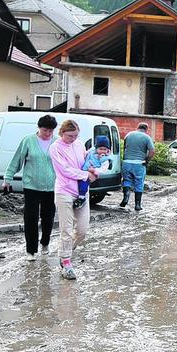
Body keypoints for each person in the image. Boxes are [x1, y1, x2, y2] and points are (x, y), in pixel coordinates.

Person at [49, 120, 100, 279]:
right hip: (64, 191)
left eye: (76, 135)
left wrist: (94, 168)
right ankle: (66, 263)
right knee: (66, 229)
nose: (73, 138)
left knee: (82, 230)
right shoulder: (55, 148)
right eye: (70, 136)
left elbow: (84, 163)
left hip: (82, 191)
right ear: (62, 133)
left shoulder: (78, 144)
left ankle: (65, 253)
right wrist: (86, 175)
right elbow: (64, 170)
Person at [3, 114, 58, 261]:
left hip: (51, 187)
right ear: (39, 128)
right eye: (45, 130)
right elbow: (16, 161)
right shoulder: (28, 140)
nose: (48, 134)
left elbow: (65, 164)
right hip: (31, 186)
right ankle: (31, 250)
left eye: (51, 131)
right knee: (31, 218)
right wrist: (7, 179)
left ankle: (45, 242)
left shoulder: (57, 142)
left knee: (48, 218)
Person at [120, 122, 155, 211]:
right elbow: (152, 151)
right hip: (139, 164)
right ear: (146, 129)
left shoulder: (128, 135)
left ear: (137, 127)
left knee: (127, 180)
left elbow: (124, 148)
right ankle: (137, 205)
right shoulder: (147, 137)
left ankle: (126, 197)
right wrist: (147, 160)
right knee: (139, 183)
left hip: (126, 162)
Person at [73, 135, 113, 209]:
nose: (102, 151)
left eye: (105, 149)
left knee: (83, 183)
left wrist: (94, 170)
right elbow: (85, 154)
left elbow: (103, 169)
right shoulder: (91, 151)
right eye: (100, 149)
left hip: (91, 173)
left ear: (108, 150)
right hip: (83, 169)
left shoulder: (105, 159)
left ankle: (81, 198)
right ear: (96, 148)